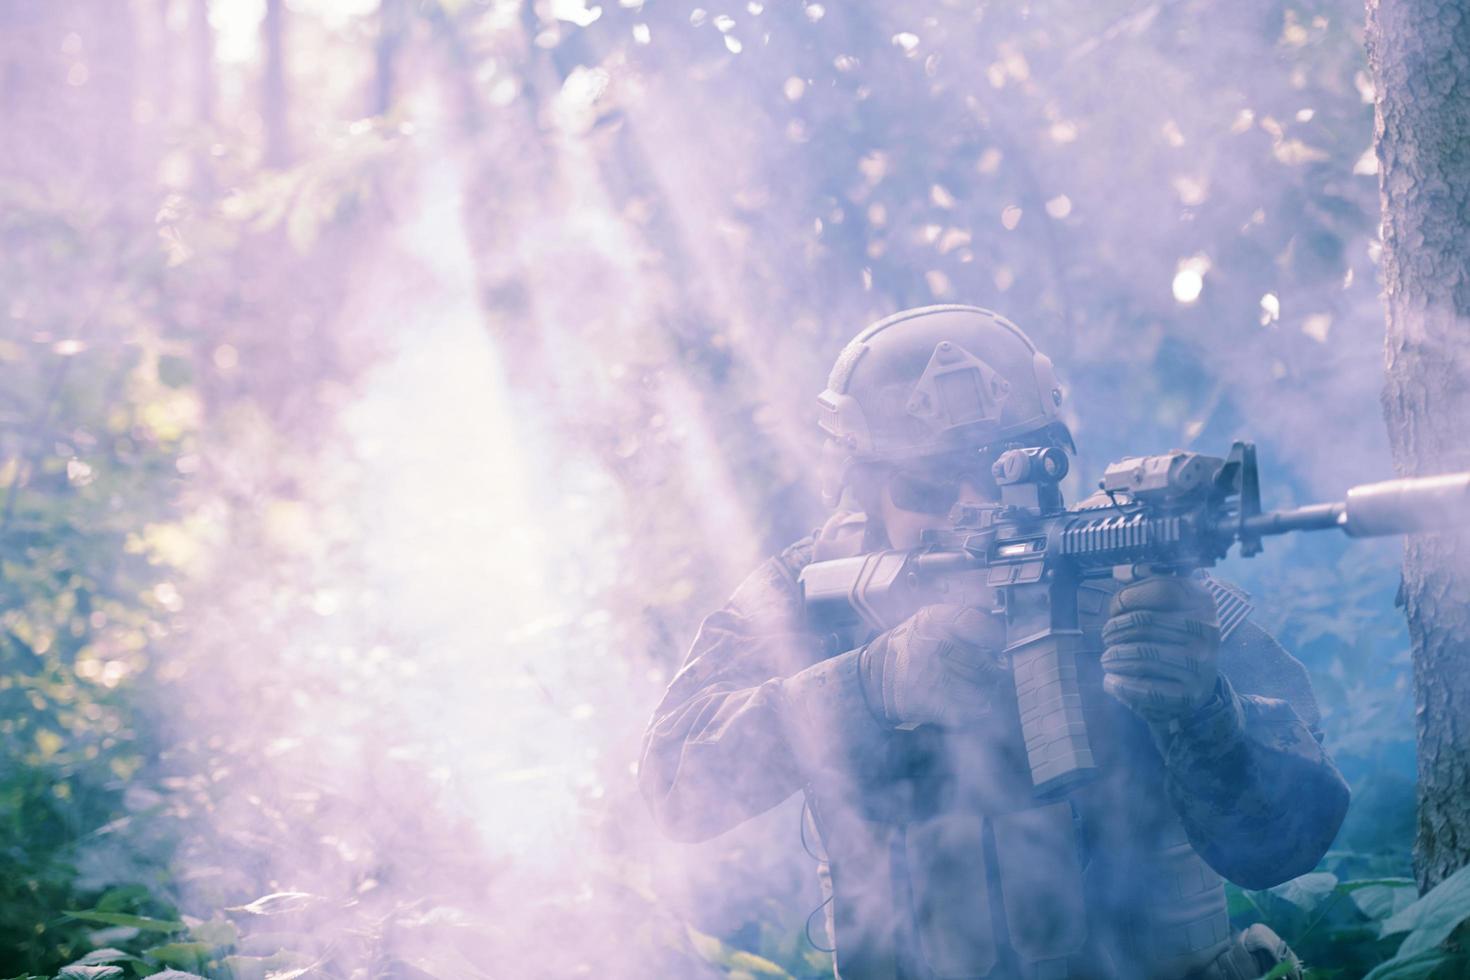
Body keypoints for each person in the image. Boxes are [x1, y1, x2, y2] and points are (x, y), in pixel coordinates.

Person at [639, 305, 1350, 980]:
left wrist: (1206, 716)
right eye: (929, 487)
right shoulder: (811, 594)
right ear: (865, 491)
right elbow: (674, 786)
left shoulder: (1127, 578)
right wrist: (868, 684)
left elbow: (1287, 845)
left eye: (1004, 471)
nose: (972, 509)